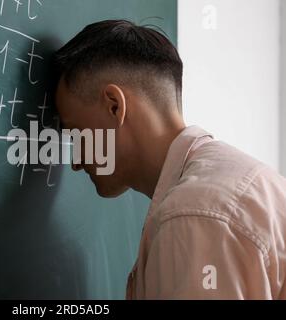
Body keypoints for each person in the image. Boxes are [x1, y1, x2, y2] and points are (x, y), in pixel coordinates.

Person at [53, 19, 286, 299]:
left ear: (114, 106)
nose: (76, 161)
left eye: (77, 134)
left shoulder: (194, 215)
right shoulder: (239, 180)